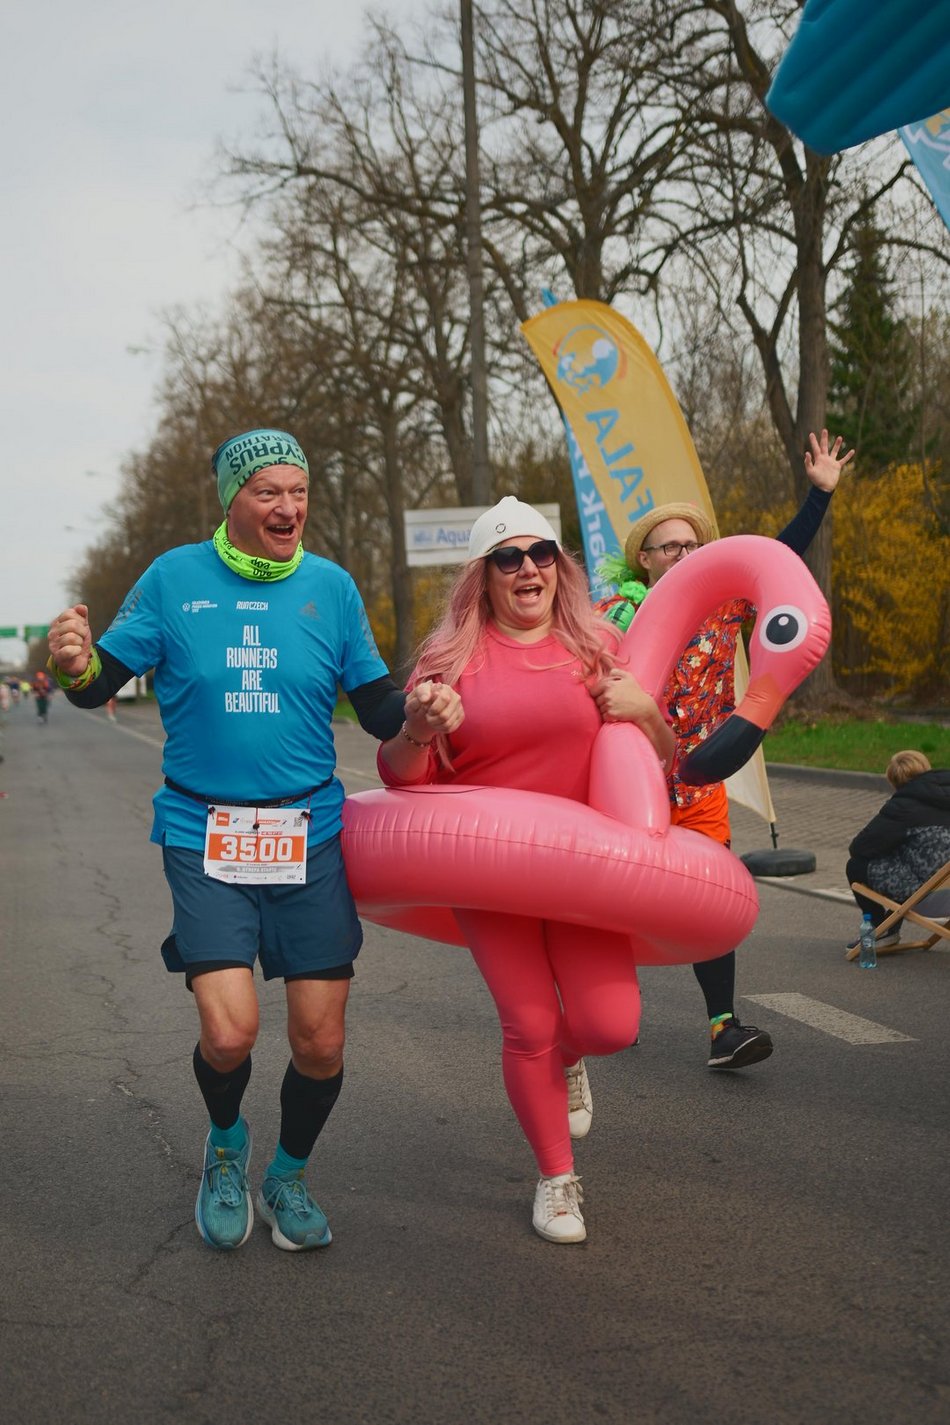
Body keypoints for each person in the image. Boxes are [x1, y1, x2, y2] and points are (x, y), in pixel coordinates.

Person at [46, 427, 411, 1253]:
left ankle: (286, 1173)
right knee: (231, 1031)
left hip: (309, 835)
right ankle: (225, 1147)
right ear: (233, 500)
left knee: (321, 1039)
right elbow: (97, 681)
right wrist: (72, 663)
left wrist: (430, 707)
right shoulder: (175, 580)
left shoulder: (331, 587)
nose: (289, 507)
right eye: (267, 492)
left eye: (299, 491)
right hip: (203, 832)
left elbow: (382, 708)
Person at [377, 496, 675, 1245]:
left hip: (585, 871)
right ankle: (556, 1178)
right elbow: (402, 779)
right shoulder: (449, 662)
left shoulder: (600, 645)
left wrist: (645, 711)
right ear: (484, 575)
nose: (528, 568)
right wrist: (417, 727)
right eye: (508, 558)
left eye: (540, 552)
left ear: (558, 565)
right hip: (491, 874)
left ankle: (570, 1060)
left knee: (610, 1024)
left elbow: (664, 762)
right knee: (530, 1021)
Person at [598, 429, 854, 1069]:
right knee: (616, 899)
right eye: (670, 546)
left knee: (709, 897)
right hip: (629, 781)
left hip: (701, 777)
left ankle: (723, 1027)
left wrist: (819, 496)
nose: (684, 553)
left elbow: (780, 558)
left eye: (692, 544)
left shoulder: (725, 607)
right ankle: (606, 1009)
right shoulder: (612, 617)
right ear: (645, 563)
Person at [846, 751, 950, 948]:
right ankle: (889, 926)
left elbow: (859, 848)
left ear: (893, 781)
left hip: (930, 899)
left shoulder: (902, 806)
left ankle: (881, 929)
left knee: (857, 866)